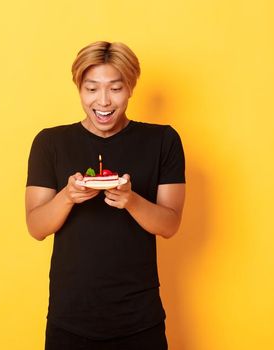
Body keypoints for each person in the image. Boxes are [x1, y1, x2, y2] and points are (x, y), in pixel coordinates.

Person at [24, 41, 186, 349]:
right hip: (69, 317)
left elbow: (170, 225)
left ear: (130, 88)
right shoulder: (50, 143)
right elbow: (36, 227)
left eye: (115, 88)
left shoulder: (163, 140)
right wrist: (68, 196)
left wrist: (131, 200)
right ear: (79, 89)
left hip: (140, 318)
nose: (103, 101)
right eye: (92, 89)